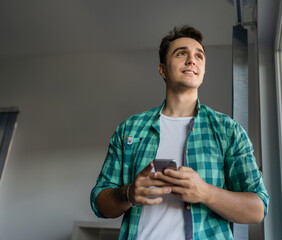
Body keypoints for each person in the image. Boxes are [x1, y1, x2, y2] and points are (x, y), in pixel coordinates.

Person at [90, 25, 269, 240]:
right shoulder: (129, 129)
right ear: (163, 70)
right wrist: (130, 193)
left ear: (203, 69)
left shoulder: (228, 130)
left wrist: (205, 192)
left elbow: (258, 208)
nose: (192, 60)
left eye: (199, 56)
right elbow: (99, 202)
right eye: (181, 53)